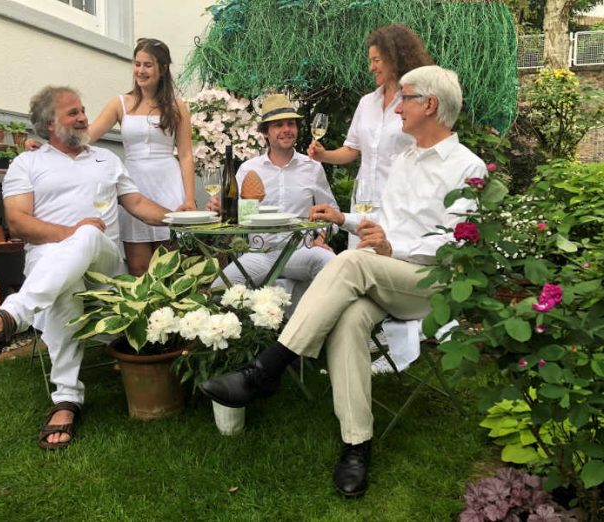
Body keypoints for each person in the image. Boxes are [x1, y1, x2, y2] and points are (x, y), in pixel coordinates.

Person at [200, 66, 487, 498]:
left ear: (429, 105)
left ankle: (267, 369)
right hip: (387, 275)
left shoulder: (467, 166)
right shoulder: (406, 160)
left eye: (404, 98)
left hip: (431, 282)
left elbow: (458, 242)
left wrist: (392, 248)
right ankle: (357, 445)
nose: (395, 106)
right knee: (350, 318)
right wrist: (345, 219)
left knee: (351, 262)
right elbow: (384, 222)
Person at [0, 86, 169, 451]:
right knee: (67, 283)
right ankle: (66, 400)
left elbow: (138, 203)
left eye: (83, 110)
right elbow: (18, 222)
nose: (84, 117)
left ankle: (11, 316)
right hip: (50, 265)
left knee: (87, 237)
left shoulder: (106, 159)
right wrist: (70, 233)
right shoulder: (27, 163)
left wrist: (184, 215)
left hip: (105, 268)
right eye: (73, 113)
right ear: (50, 123)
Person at [28, 38, 195, 275]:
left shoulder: (177, 106)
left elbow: (186, 154)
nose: (140, 71)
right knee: (138, 265)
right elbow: (87, 136)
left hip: (168, 181)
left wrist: (189, 198)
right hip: (134, 183)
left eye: (148, 65)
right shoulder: (121, 103)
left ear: (163, 68)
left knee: (167, 263)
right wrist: (45, 144)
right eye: (137, 64)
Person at [307, 24, 433, 248]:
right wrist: (323, 155)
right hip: (363, 206)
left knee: (392, 264)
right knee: (361, 266)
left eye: (376, 60)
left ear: (395, 58)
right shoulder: (367, 103)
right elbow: (351, 150)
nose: (370, 67)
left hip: (399, 203)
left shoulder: (416, 101)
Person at [208, 94, 338, 306]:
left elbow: (331, 213)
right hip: (259, 254)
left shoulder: (312, 167)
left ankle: (320, 332)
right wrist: (219, 206)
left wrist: (321, 239)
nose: (286, 129)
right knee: (217, 291)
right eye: (278, 125)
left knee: (331, 263)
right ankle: (248, 335)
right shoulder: (249, 169)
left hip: (300, 252)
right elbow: (232, 211)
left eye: (290, 124)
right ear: (265, 133)